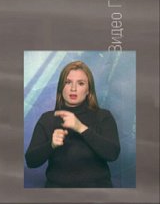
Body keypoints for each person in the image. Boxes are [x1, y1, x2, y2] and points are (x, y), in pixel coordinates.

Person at [24, 60, 120, 188]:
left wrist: (80, 128)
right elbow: (31, 161)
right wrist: (51, 145)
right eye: (68, 82)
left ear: (88, 90)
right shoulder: (47, 119)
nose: (73, 88)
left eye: (80, 83)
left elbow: (112, 154)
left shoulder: (103, 116)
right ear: (61, 87)